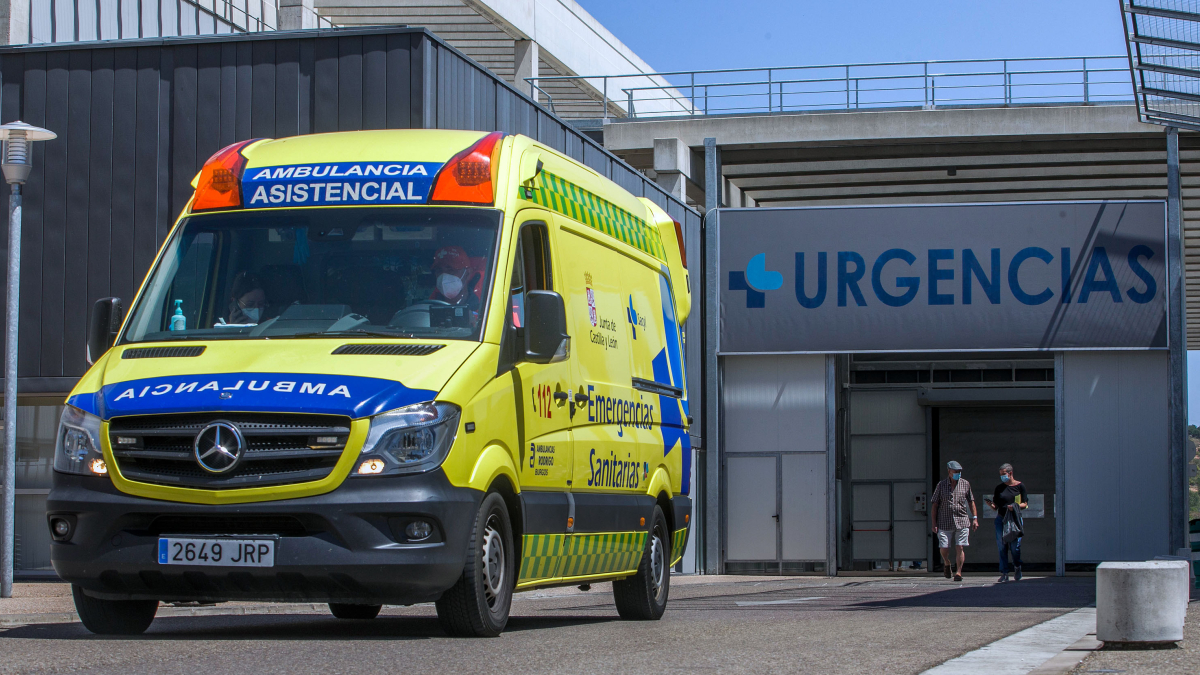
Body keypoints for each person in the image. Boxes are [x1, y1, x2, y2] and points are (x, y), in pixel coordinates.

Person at [931, 460, 978, 581]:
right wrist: (934, 523)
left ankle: (958, 572)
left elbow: (971, 501)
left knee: (960, 546)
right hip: (944, 521)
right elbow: (935, 505)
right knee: (944, 547)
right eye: (955, 471)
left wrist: (975, 518)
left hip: (962, 520)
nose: (958, 474)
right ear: (949, 471)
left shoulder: (965, 484)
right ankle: (947, 562)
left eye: (959, 472)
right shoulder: (941, 485)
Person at [986, 463, 1028, 583]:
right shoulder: (999, 488)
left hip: (1014, 519)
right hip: (1001, 518)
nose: (1002, 477)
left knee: (1015, 547)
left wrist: (1014, 507)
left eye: (1004, 474)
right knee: (1001, 546)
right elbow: (996, 506)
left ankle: (1017, 566)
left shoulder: (1020, 486)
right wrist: (991, 505)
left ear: (1010, 473)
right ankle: (1004, 572)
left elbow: (1025, 504)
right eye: (1000, 475)